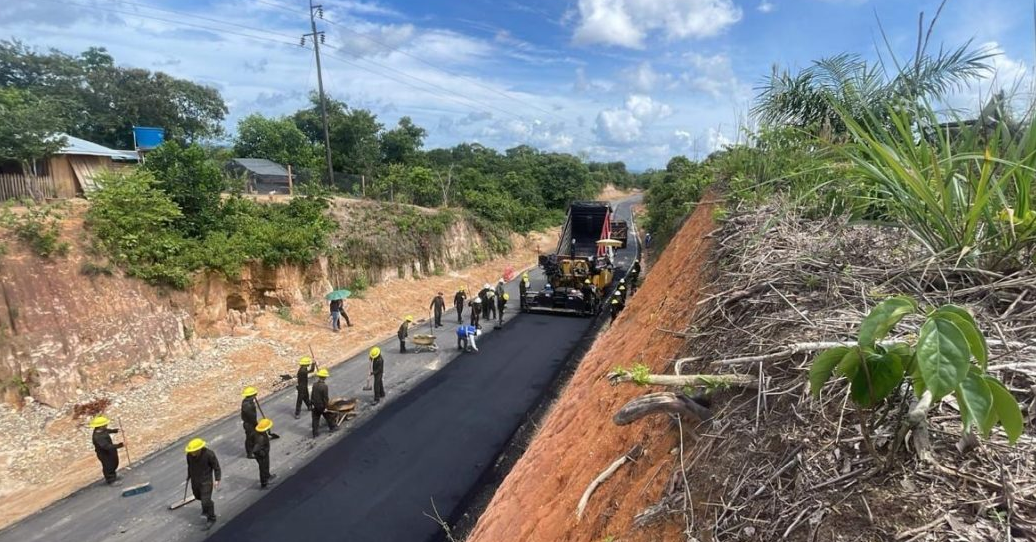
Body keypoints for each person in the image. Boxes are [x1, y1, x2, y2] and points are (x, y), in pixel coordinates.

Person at [184, 438, 221, 531]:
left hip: (206, 481)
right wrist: (189, 476)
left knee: (205, 500)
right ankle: (208, 505)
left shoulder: (209, 454)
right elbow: (190, 466)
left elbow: (216, 467)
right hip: (195, 480)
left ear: (199, 449)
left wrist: (217, 479)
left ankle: (211, 518)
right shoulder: (189, 455)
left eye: (194, 451)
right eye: (191, 451)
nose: (192, 453)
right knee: (198, 497)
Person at [89, 416, 123, 486]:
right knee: (109, 466)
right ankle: (111, 480)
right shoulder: (97, 437)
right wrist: (119, 445)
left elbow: (107, 431)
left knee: (114, 463)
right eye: (105, 424)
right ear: (101, 426)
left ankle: (114, 475)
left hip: (110, 451)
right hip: (104, 454)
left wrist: (115, 430)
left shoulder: (101, 430)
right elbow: (106, 446)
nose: (106, 425)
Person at [310, 369, 336, 437]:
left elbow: (312, 395)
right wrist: (326, 407)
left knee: (315, 420)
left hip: (315, 405)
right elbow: (325, 398)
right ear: (325, 377)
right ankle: (332, 427)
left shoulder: (314, 385)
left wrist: (312, 403)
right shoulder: (324, 386)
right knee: (329, 416)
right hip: (322, 406)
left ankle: (315, 434)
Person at [252, 418, 276, 489]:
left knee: (266, 465)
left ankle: (267, 475)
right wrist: (263, 454)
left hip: (265, 453)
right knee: (262, 468)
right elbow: (255, 450)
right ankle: (264, 483)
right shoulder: (260, 438)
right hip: (261, 455)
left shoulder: (262, 433)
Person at [240, 386, 259, 459]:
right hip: (249, 424)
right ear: (251, 396)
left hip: (251, 422)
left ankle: (253, 450)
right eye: (254, 395)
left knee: (252, 437)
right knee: (250, 438)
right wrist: (256, 424)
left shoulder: (249, 401)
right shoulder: (247, 405)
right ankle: (250, 454)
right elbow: (251, 416)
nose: (255, 396)